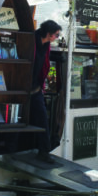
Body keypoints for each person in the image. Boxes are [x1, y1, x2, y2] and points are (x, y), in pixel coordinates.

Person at [31, 20, 62, 163]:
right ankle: (12, 150)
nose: (57, 37)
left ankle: (44, 151)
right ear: (48, 34)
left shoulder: (46, 44)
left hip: (35, 87)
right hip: (23, 86)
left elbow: (44, 64)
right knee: (21, 119)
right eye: (56, 35)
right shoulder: (32, 40)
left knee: (42, 117)